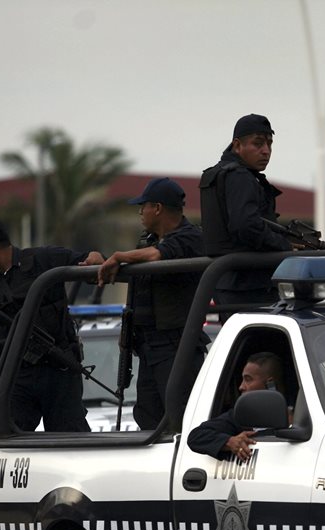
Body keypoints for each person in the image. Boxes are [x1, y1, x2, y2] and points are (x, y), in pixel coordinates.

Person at [0, 217, 104, 432]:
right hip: (15, 377)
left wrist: (96, 259)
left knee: (71, 446)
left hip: (59, 371)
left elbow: (89, 261)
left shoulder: (44, 260)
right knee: (9, 444)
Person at [97, 177, 209, 429]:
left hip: (176, 347)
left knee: (181, 418)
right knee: (148, 417)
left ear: (157, 208)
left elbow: (160, 255)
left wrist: (119, 256)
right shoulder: (147, 241)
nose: (140, 212)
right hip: (149, 348)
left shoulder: (190, 237)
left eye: (143, 206)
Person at [199, 114, 299, 315]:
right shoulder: (240, 176)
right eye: (258, 144)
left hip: (227, 281)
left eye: (270, 144)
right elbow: (245, 225)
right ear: (237, 146)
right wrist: (285, 247)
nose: (266, 151)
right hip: (248, 284)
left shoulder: (217, 173)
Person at [187, 351, 285, 461]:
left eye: (248, 379)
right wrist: (230, 442)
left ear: (270, 384)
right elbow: (196, 437)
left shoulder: (303, 416)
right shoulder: (241, 416)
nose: (241, 387)